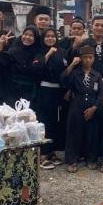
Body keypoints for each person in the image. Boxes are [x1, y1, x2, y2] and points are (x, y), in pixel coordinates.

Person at [62, 45, 103, 173]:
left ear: (94, 59)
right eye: (84, 57)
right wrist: (70, 66)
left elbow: (100, 94)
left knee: (92, 133)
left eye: (90, 57)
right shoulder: (75, 73)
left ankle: (91, 159)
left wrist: (94, 107)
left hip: (92, 105)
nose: (87, 60)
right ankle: (72, 160)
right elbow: (63, 80)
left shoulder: (97, 75)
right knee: (74, 133)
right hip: (76, 105)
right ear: (80, 58)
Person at [34, 28, 67, 169]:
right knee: (44, 121)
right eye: (47, 36)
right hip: (44, 90)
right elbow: (37, 69)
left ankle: (51, 151)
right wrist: (48, 54)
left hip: (58, 90)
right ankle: (42, 154)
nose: (50, 38)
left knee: (54, 121)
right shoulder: (39, 51)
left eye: (53, 36)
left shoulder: (61, 51)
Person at [0, 26, 40, 106]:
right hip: (11, 91)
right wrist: (1, 44)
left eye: (31, 35)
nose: (27, 37)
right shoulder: (14, 50)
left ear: (35, 38)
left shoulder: (38, 53)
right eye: (25, 34)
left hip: (29, 93)